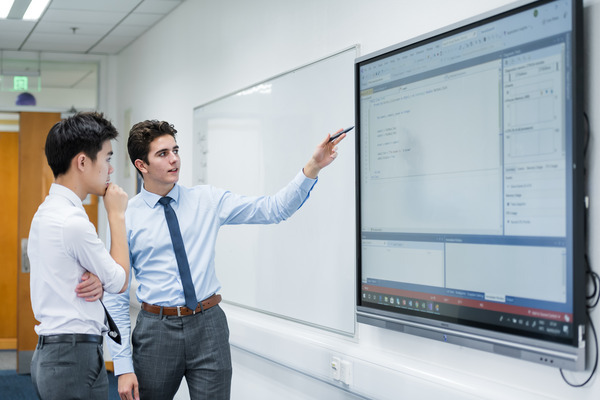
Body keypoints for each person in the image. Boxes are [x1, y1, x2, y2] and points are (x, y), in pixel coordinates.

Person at [104, 119, 346, 400]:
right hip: (157, 331)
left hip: (208, 327)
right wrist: (122, 366)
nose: (174, 160)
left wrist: (312, 167)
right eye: (163, 154)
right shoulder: (127, 215)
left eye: (175, 150)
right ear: (141, 165)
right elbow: (117, 295)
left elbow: (273, 209)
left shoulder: (206, 200)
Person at [28, 112, 130, 400]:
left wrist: (99, 279)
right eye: (107, 158)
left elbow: (70, 274)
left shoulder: (47, 212)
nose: (110, 170)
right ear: (83, 162)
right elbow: (120, 280)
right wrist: (117, 215)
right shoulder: (72, 221)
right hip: (73, 357)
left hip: (56, 353)